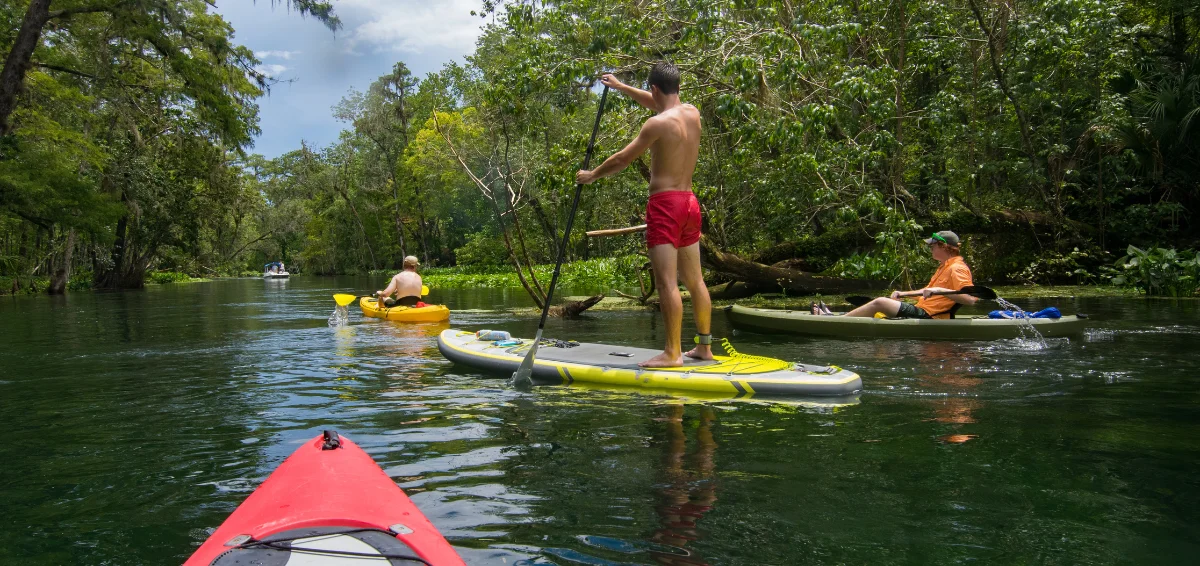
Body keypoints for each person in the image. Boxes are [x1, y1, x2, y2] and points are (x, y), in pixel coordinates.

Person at [576, 62, 712, 368]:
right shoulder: (692, 112)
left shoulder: (656, 125)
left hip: (666, 205)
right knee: (696, 281)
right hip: (690, 203)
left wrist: (592, 174)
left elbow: (623, 158)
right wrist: (622, 87)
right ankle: (704, 347)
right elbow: (659, 102)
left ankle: (673, 353)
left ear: (653, 88)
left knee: (667, 283)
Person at [833, 231, 976, 319]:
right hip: (924, 310)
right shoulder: (944, 267)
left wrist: (940, 290)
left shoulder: (957, 268)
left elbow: (969, 299)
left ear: (943, 246)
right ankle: (841, 318)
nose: (931, 249)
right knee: (884, 303)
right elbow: (926, 293)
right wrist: (903, 293)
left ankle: (838, 322)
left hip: (930, 315)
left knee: (881, 302)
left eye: (933, 247)